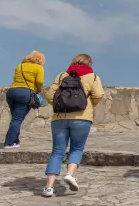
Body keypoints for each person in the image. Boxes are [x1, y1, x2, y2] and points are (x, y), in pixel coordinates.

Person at [42, 54, 104, 197]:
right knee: (77, 148)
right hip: (82, 118)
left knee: (57, 151)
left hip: (59, 118)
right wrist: (88, 105)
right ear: (89, 63)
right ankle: (70, 174)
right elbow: (98, 94)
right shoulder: (93, 77)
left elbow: (50, 95)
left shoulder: (61, 76)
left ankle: (48, 187)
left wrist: (62, 105)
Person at [4, 50, 46, 149]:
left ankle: (15, 141)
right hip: (25, 93)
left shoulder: (20, 66)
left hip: (11, 92)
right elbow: (39, 81)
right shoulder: (38, 67)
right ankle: (9, 143)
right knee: (17, 119)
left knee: (15, 118)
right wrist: (38, 91)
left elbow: (15, 78)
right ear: (40, 59)